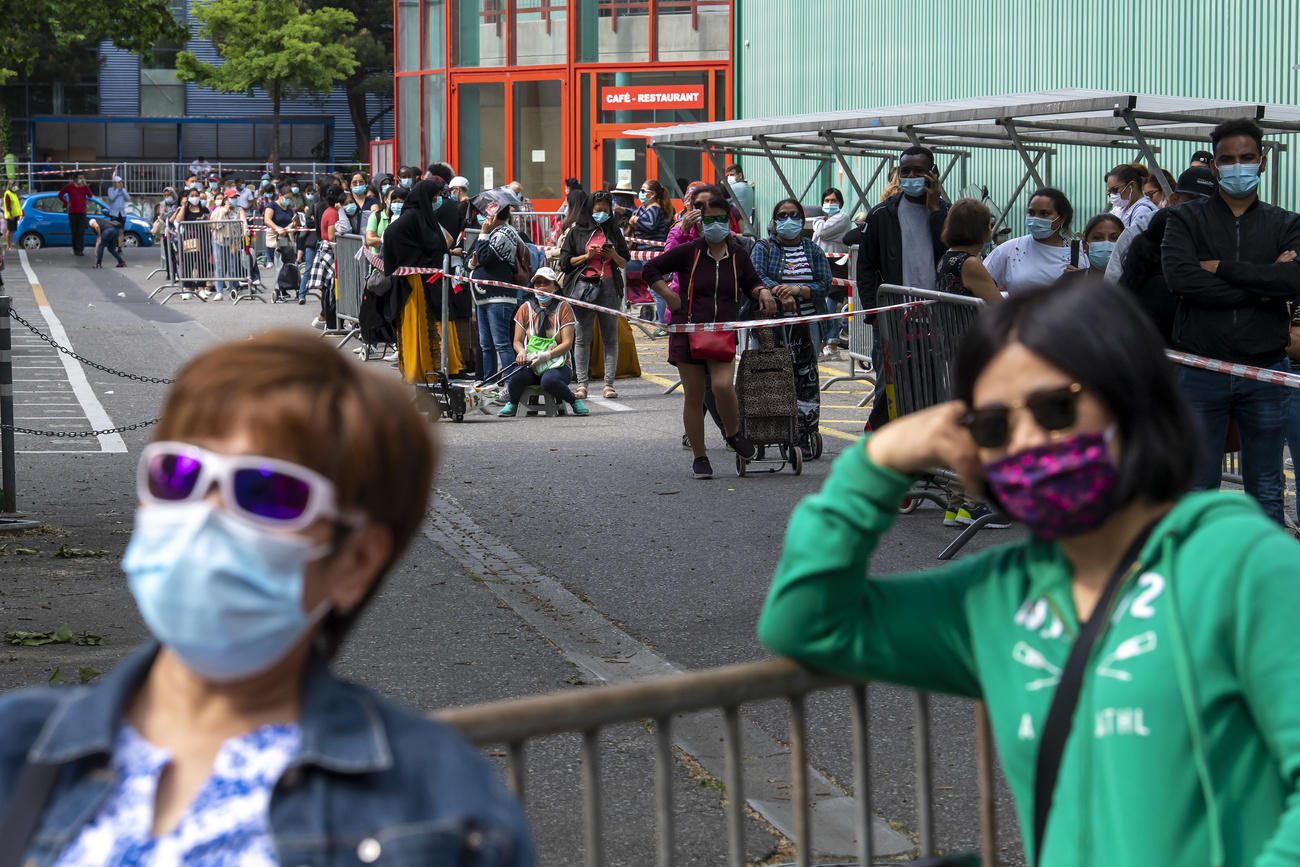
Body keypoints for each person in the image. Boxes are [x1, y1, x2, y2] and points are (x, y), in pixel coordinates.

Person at [759, 277, 1300, 867]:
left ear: (1132, 398)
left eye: (1055, 408)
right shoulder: (1000, 596)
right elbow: (806, 624)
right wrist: (875, 463)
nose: (1028, 441)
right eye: (993, 426)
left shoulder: (1241, 563)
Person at [0, 331, 534, 863]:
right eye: (177, 474)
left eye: (269, 492)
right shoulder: (16, 746)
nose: (204, 515)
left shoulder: (442, 809)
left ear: (356, 561)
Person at [1162, 117, 1300, 525]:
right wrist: (1264, 286)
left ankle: (1265, 582)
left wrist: (1219, 267)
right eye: (1227, 159)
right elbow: (1181, 279)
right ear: (1215, 165)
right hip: (1200, 369)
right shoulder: (1184, 220)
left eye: (1246, 157)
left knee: (1266, 492)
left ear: (1260, 161)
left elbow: (1292, 280)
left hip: (1266, 371)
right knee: (1198, 490)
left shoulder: (1287, 222)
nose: (1237, 165)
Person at [643, 187, 775, 479]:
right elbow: (650, 268)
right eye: (709, 220)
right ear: (700, 222)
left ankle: (733, 433)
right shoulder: (689, 251)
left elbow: (752, 282)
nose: (716, 225)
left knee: (722, 386)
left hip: (721, 332)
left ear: (730, 220)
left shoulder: (739, 254)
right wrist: (669, 296)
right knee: (694, 394)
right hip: (687, 330)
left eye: (721, 219)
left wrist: (763, 291)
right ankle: (700, 457)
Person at [858, 146, 951, 430]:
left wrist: (936, 211)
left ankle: (924, 454)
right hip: (893, 317)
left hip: (937, 317)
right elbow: (865, 268)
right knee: (889, 388)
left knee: (933, 386)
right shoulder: (881, 214)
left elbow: (949, 255)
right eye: (905, 171)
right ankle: (878, 451)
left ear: (933, 174)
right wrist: (875, 314)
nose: (911, 176)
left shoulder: (948, 212)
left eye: (919, 171)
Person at [751, 198, 833, 458]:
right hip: (771, 325)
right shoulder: (763, 248)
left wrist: (799, 290)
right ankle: (768, 433)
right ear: (774, 221)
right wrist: (777, 291)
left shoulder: (812, 250)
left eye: (794, 215)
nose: (789, 220)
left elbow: (825, 284)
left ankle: (804, 434)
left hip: (806, 326)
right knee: (770, 379)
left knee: (805, 380)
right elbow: (755, 276)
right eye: (783, 215)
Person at [1113, 166, 1217, 343]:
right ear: (1174, 200)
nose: (1199, 211)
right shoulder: (1138, 233)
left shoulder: (1220, 242)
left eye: (1208, 204)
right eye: (1191, 201)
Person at [557, 190, 629, 401]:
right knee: (582, 338)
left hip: (609, 287)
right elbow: (564, 262)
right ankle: (581, 384)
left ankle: (609, 384)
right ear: (590, 209)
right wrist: (585, 257)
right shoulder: (576, 231)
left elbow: (624, 261)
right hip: (582, 287)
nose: (602, 214)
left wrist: (613, 254)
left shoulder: (614, 230)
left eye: (606, 211)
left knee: (610, 337)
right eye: (598, 211)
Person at [383, 179, 451, 387]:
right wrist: (407, 260)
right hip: (413, 282)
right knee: (415, 324)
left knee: (423, 325)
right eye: (433, 197)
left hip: (421, 279)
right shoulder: (413, 216)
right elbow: (391, 234)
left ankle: (423, 369)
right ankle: (416, 370)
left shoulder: (420, 216)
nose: (436, 200)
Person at [499, 267, 588, 417]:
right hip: (532, 363)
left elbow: (567, 343)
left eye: (546, 283)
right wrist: (521, 351)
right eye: (537, 283)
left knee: (549, 382)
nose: (541, 287)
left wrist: (546, 355)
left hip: (559, 364)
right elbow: (517, 341)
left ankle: (574, 401)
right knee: (514, 378)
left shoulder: (564, 308)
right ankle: (513, 403)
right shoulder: (525, 308)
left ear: (555, 286)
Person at [984, 188, 1086, 294]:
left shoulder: (1080, 252)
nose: (1035, 219)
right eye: (1031, 213)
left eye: (1044, 213)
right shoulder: (1011, 249)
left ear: (1062, 219)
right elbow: (980, 281)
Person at [470, 203, 525, 381]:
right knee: (486, 345)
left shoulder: (504, 233)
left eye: (487, 215)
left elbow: (484, 257)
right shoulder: (490, 233)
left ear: (494, 216)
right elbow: (470, 258)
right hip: (483, 297)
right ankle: (489, 382)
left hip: (500, 297)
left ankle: (510, 384)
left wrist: (484, 233)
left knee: (501, 344)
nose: (484, 219)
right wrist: (473, 263)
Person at [812, 187, 851, 359]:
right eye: (827, 201)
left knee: (829, 307)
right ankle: (823, 345)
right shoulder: (825, 220)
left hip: (836, 265)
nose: (830, 204)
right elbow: (821, 237)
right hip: (821, 266)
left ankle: (831, 344)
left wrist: (818, 223)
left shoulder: (842, 217)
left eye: (833, 201)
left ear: (840, 203)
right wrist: (823, 227)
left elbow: (821, 232)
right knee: (821, 307)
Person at [207, 189, 245, 300]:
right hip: (219, 240)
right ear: (226, 199)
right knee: (219, 266)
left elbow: (243, 223)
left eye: (235, 197)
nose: (234, 199)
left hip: (233, 241)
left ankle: (233, 289)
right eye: (231, 197)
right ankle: (219, 291)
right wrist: (225, 211)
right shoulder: (218, 210)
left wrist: (240, 239)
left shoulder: (239, 209)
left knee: (232, 266)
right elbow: (214, 224)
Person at [264, 182, 298, 299]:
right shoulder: (272, 206)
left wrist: (293, 224)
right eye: (287, 198)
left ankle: (285, 288)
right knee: (279, 264)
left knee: (287, 264)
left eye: (290, 199)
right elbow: (267, 220)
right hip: (276, 238)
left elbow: (293, 221)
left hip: (287, 238)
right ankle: (278, 289)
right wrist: (278, 229)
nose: (288, 201)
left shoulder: (289, 209)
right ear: (280, 195)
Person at [1105, 163, 1158, 230]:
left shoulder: (1143, 211)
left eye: (1114, 189)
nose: (1108, 193)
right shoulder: (1120, 209)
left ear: (1132, 186)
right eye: (1109, 190)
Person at [1078, 213, 1124, 277]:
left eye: (1114, 238)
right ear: (1084, 245)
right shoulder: (1069, 282)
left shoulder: (1137, 284)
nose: (1106, 244)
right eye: (1097, 237)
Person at [58, 172, 92, 257]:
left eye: (82, 178)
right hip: (72, 212)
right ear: (75, 179)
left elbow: (90, 195)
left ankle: (80, 249)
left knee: (81, 231)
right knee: (74, 232)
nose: (81, 179)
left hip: (82, 212)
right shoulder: (69, 187)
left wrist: (86, 185)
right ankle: (75, 248)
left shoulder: (84, 187)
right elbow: (60, 195)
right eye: (80, 178)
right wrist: (66, 202)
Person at [4, 180, 23, 250]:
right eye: (14, 185)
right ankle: (8, 246)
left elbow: (16, 206)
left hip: (15, 215)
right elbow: (8, 205)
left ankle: (10, 245)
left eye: (16, 185)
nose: (16, 187)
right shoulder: (8, 193)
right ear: (10, 186)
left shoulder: (14, 194)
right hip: (11, 216)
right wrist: (10, 215)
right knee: (9, 230)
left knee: (13, 231)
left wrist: (18, 215)